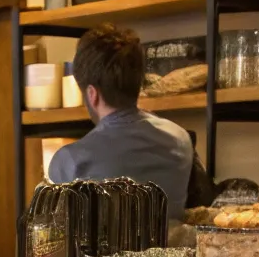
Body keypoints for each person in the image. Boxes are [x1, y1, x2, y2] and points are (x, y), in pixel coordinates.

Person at [47, 24, 194, 219]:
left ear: (92, 94)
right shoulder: (180, 139)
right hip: (173, 249)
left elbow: (57, 238)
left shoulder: (70, 161)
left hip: (101, 251)